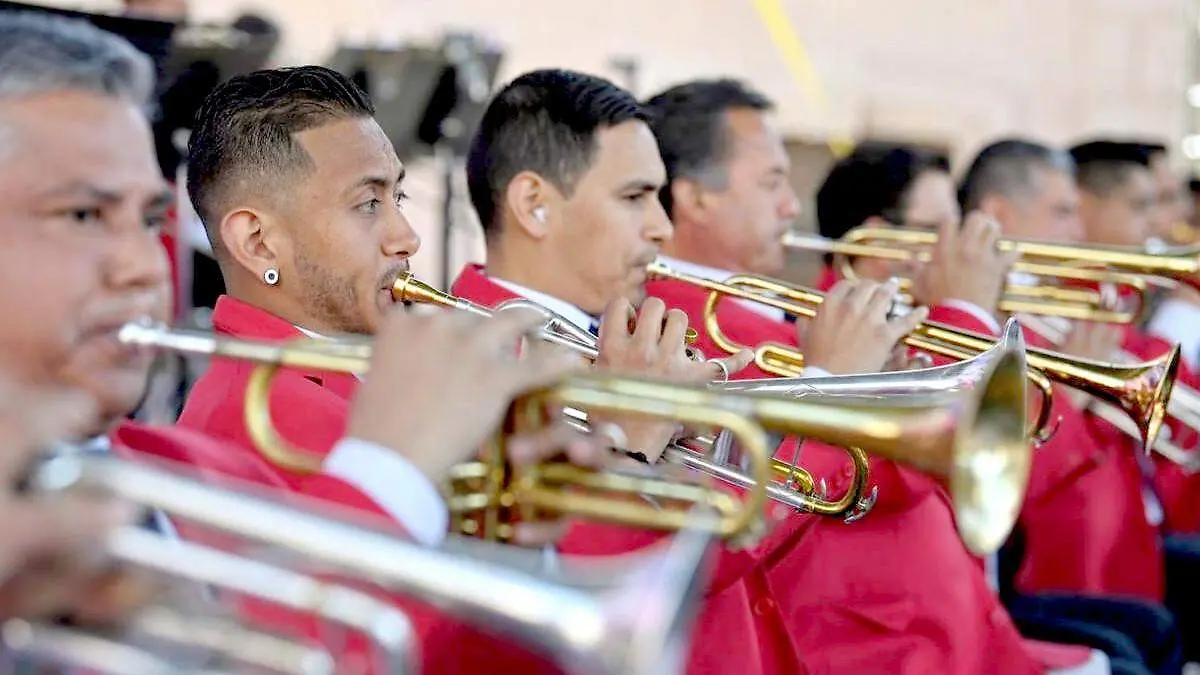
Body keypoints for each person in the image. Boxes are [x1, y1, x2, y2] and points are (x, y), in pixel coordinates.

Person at [0, 10, 618, 672]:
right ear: (259, 242)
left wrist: (511, 549)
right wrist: (390, 476)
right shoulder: (255, 427)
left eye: (149, 218)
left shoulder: (189, 472)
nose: (144, 263)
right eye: (85, 213)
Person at [638, 78, 1108, 675]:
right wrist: (959, 315)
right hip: (882, 645)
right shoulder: (689, 325)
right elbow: (895, 474)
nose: (791, 204)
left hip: (940, 628)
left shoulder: (773, 315)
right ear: (697, 198)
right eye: (772, 181)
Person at [816, 140, 1183, 675]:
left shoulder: (947, 322)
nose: (957, 247)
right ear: (881, 237)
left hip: (975, 604)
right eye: (941, 229)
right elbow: (973, 475)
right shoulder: (841, 335)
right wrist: (1068, 391)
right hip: (922, 627)